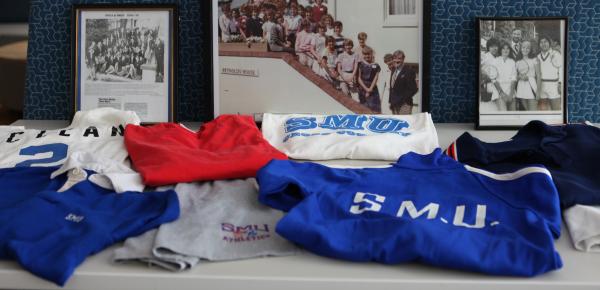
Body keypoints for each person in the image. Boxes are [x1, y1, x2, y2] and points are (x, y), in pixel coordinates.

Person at [537, 35, 562, 111]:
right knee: (543, 111)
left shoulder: (556, 54)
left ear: (549, 43)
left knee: (556, 109)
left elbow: (561, 68)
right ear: (539, 44)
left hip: (553, 85)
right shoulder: (538, 56)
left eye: (545, 42)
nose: (543, 44)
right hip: (542, 85)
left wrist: (560, 83)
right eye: (541, 42)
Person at [389, 50, 417, 115]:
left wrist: (402, 100)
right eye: (395, 58)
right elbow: (392, 87)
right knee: (396, 123)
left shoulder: (409, 71)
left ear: (403, 59)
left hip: (405, 105)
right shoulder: (393, 70)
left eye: (399, 58)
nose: (397, 60)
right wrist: (391, 101)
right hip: (394, 105)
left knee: (403, 123)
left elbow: (414, 89)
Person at [515, 40, 540, 111]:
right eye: (523, 47)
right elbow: (515, 76)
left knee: (533, 112)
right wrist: (519, 77)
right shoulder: (517, 61)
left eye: (528, 48)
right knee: (526, 111)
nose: (525, 49)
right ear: (520, 48)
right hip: (521, 87)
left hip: (532, 85)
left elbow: (538, 75)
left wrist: (538, 91)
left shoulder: (535, 59)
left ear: (531, 49)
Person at [491, 42, 517, 111]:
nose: (506, 50)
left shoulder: (512, 62)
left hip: (510, 92)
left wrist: (511, 94)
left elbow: (513, 79)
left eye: (507, 48)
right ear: (500, 50)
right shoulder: (495, 61)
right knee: (503, 113)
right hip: (499, 92)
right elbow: (493, 79)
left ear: (510, 50)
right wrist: (502, 94)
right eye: (503, 48)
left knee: (513, 115)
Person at [357, 46, 382, 113]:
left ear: (371, 54)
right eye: (365, 54)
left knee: (374, 109)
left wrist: (370, 89)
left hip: (372, 88)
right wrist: (366, 89)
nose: (367, 56)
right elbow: (359, 78)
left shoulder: (376, 65)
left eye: (368, 54)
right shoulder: (361, 64)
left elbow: (376, 78)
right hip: (363, 88)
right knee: (363, 108)